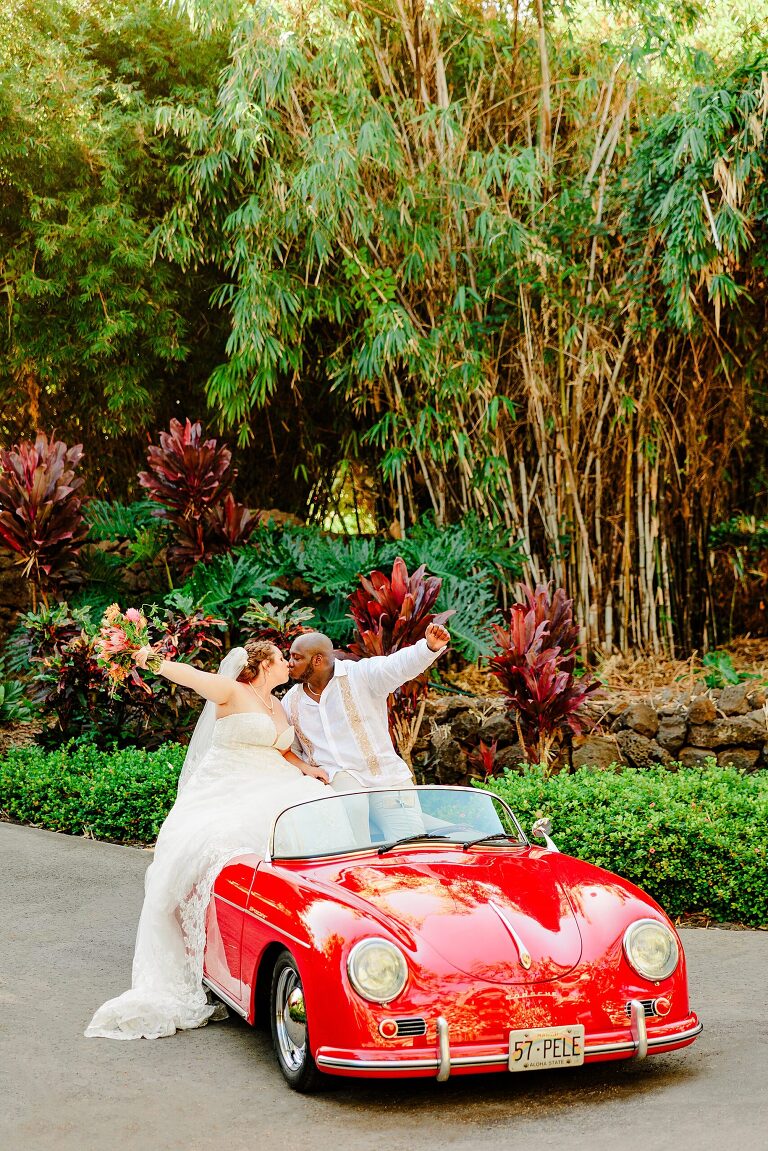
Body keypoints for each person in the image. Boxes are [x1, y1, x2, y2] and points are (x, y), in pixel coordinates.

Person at [85, 639, 329, 1041]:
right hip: (227, 785)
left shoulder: (277, 703)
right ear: (264, 664)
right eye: (282, 659)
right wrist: (151, 660)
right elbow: (191, 677)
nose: (288, 664)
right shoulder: (231, 689)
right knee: (221, 840)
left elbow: (283, 752)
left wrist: (308, 768)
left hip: (272, 781)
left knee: (313, 807)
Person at [283, 623, 450, 843]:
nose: (289, 663)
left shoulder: (361, 675)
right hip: (338, 790)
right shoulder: (291, 701)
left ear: (317, 660)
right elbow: (291, 750)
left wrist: (428, 647)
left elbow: (397, 665)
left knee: (410, 847)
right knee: (356, 854)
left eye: (296, 658)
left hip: (386, 780)